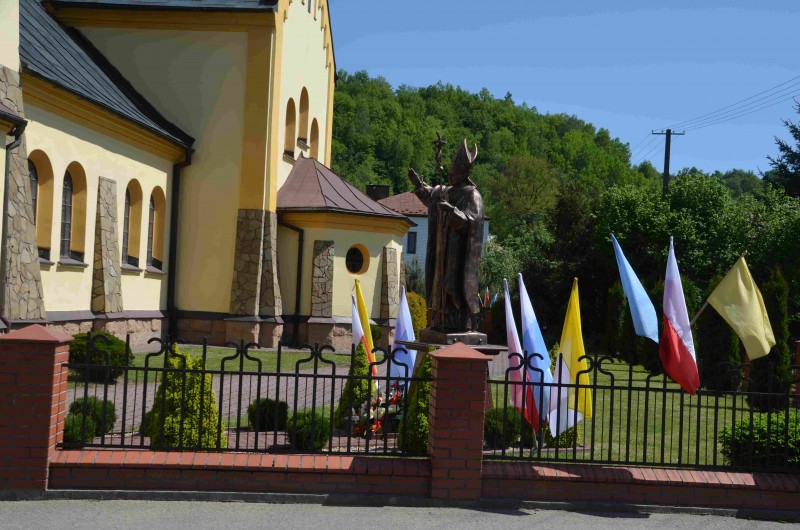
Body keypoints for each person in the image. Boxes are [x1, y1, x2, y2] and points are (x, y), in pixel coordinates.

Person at [408, 139, 485, 332]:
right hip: (441, 249)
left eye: (453, 174)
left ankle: (460, 324)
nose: (450, 176)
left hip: (457, 253)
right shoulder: (446, 191)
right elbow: (432, 195)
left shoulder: (472, 195)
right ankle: (439, 322)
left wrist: (452, 211)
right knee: (439, 286)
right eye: (449, 173)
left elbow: (472, 222)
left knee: (453, 286)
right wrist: (419, 185)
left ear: (464, 174)